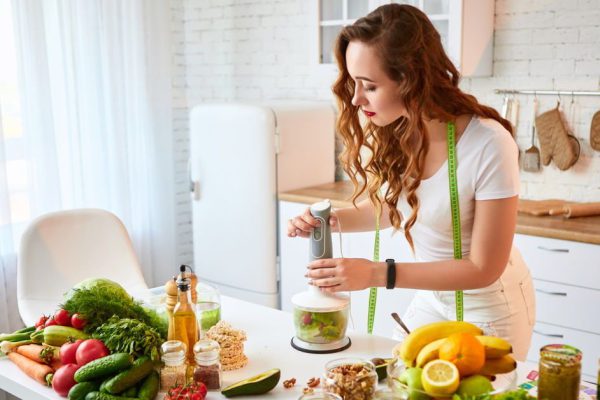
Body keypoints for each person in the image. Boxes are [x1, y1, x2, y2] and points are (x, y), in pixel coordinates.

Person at [287, 4, 535, 360]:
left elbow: (484, 268)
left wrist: (376, 274)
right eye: (354, 84)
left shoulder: (488, 144)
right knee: (397, 381)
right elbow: (392, 208)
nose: (356, 99)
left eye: (369, 86)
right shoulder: (400, 129)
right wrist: (328, 220)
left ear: (410, 78)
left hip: (490, 308)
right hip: (434, 299)